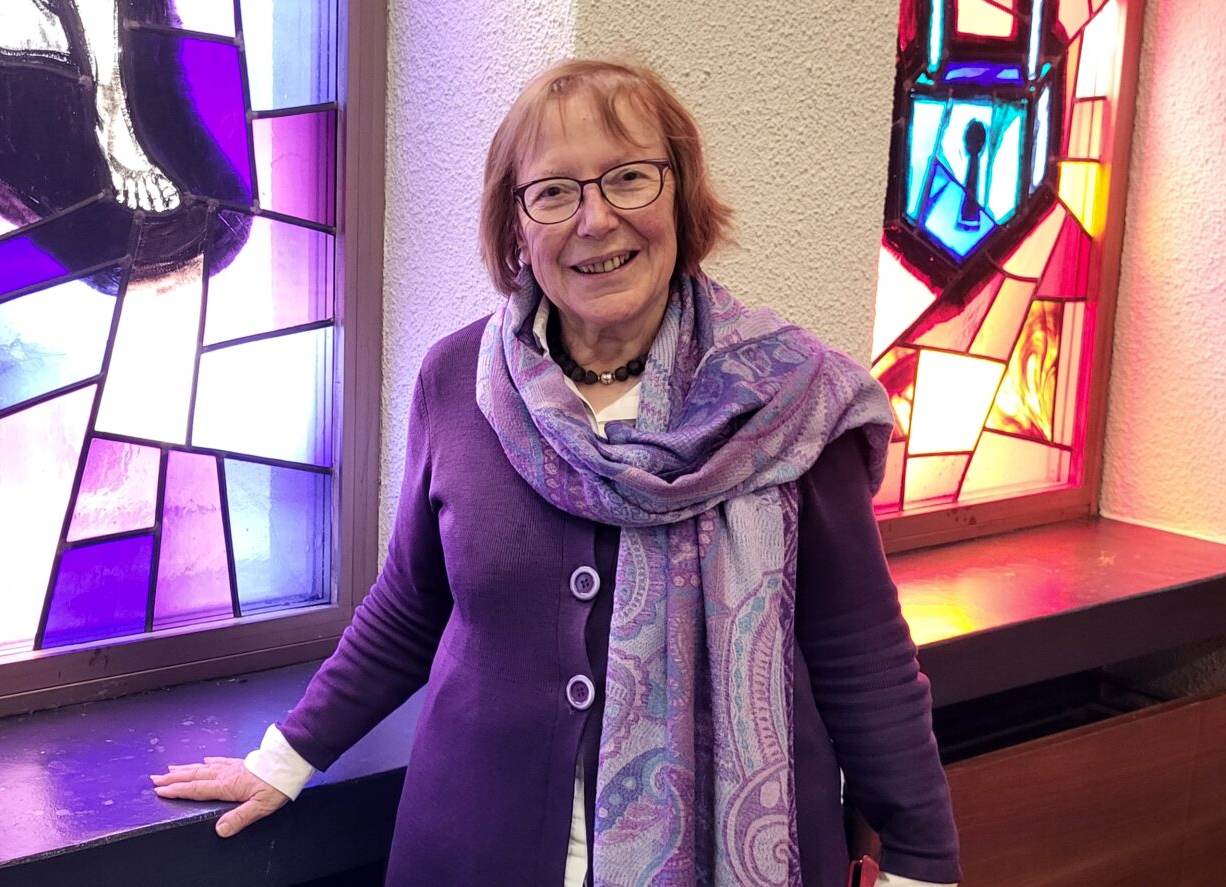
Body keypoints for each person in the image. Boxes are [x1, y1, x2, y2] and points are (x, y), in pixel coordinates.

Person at [151, 58, 962, 887]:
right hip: (471, 850)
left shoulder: (786, 401)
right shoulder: (457, 381)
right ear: (516, 227)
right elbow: (408, 604)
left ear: (679, 195)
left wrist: (923, 862)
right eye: (554, 192)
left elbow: (862, 653)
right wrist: (284, 756)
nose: (596, 220)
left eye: (629, 179)